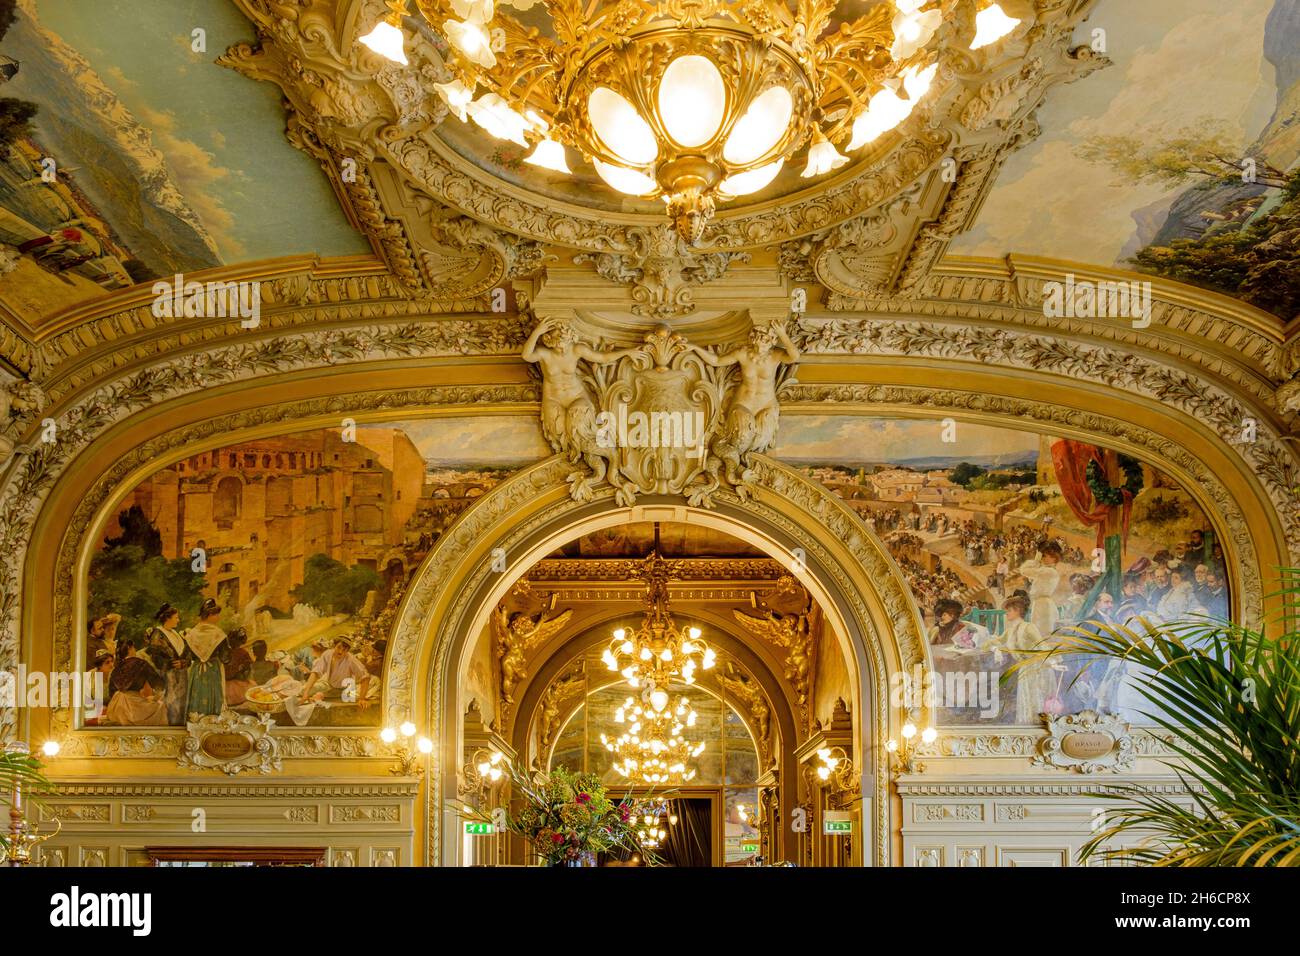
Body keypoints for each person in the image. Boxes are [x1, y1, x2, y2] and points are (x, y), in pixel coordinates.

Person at [1001, 594, 1051, 723]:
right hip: (1024, 668)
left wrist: (1053, 661)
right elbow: (997, 641)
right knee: (1026, 699)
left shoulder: (1029, 627)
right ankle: (1027, 724)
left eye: (1009, 611)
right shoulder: (1010, 631)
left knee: (1035, 698)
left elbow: (1042, 644)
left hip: (1036, 668)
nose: (1006, 614)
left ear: (1018, 610)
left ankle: (1037, 725)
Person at [143, 603, 190, 726]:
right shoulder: (158, 634)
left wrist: (184, 663)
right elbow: (155, 658)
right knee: (171, 703)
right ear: (168, 618)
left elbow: (188, 653)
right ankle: (171, 729)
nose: (178, 620)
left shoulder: (177, 635)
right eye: (176, 617)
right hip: (168, 675)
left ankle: (180, 727)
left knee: (182, 703)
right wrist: (170, 664)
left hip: (182, 674)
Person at [184, 598, 230, 717]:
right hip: (213, 671)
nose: (218, 617)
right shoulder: (219, 634)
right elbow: (226, 658)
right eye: (217, 614)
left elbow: (187, 657)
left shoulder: (191, 633)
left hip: (197, 671)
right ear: (210, 614)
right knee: (213, 696)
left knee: (197, 697)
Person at [298, 636, 371, 709]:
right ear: (334, 646)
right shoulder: (327, 654)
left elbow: (365, 677)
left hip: (345, 688)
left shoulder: (350, 660)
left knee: (323, 697)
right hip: (330, 685)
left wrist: (362, 698)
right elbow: (316, 672)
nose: (340, 652)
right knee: (302, 691)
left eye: (344, 650)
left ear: (348, 651)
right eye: (338, 647)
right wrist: (306, 692)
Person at [102, 656, 167, 726]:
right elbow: (159, 686)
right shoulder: (141, 664)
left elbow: (111, 691)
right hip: (134, 706)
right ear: (131, 647)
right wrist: (154, 698)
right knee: (161, 706)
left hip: (116, 704)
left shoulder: (119, 666)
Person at [1017, 541, 1062, 638]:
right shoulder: (1047, 570)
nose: (1042, 558)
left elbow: (1024, 570)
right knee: (1040, 633)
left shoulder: (1048, 571)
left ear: (1053, 558)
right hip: (1041, 604)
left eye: (1045, 556)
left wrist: (1036, 561)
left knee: (1041, 633)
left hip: (1043, 606)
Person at [82, 651, 115, 725]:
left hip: (113, 708)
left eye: (112, 661)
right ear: (99, 665)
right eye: (107, 662)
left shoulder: (115, 673)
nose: (111, 665)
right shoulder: (89, 676)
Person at [224, 628, 254, 706]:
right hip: (236, 685)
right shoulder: (243, 653)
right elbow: (248, 668)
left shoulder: (225, 652)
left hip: (226, 683)